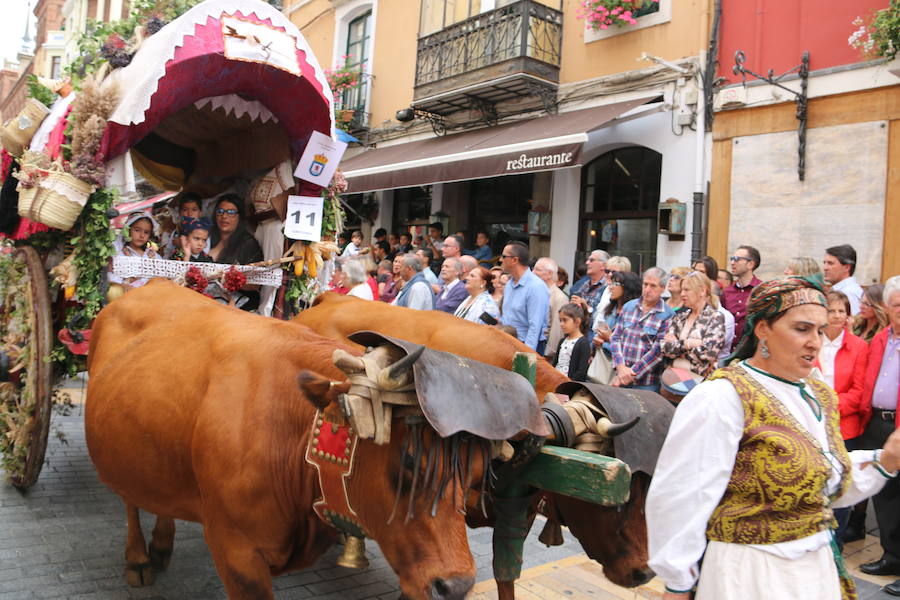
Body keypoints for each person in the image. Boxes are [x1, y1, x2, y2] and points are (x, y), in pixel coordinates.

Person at [649, 276, 900, 600]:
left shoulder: (818, 394)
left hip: (815, 572)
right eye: (802, 329)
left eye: (820, 331)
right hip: (749, 573)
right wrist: (678, 582)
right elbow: (683, 495)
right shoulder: (723, 396)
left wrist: (886, 459)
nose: (815, 342)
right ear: (762, 329)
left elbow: (824, 481)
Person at [857, 276, 900, 595]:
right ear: (887, 307)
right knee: (884, 493)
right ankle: (892, 556)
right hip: (877, 422)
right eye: (898, 305)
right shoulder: (883, 338)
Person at [609, 267, 675, 391]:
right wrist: (620, 366)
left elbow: (657, 352)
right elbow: (615, 337)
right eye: (645, 284)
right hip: (621, 376)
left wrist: (632, 373)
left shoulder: (667, 314)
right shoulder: (629, 306)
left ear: (662, 288)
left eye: (653, 286)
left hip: (647, 383)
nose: (647, 289)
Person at [661, 271, 727, 380]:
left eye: (686, 290)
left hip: (700, 383)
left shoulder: (715, 317)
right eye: (682, 290)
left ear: (702, 291)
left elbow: (707, 354)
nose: (682, 294)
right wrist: (688, 344)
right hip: (673, 380)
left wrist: (677, 346)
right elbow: (665, 348)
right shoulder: (680, 317)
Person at [208, 195, 264, 310]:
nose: (224, 216)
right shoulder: (206, 239)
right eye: (220, 211)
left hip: (238, 307)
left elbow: (256, 285)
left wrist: (232, 279)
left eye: (231, 212)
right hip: (208, 301)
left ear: (239, 217)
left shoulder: (248, 244)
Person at [592, 271, 642, 383]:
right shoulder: (610, 309)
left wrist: (609, 340)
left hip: (623, 370)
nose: (611, 287)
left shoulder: (635, 314)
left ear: (628, 287)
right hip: (602, 365)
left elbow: (633, 347)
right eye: (611, 283)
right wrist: (596, 341)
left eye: (616, 284)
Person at [499, 241, 550, 351]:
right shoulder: (509, 284)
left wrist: (526, 354)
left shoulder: (536, 287)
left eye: (504, 256)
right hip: (507, 342)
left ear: (515, 260)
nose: (500, 260)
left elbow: (535, 326)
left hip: (526, 345)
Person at [722, 245, 762, 353]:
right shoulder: (727, 292)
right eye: (732, 259)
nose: (732, 263)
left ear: (750, 264)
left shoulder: (761, 290)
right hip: (727, 353)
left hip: (750, 353)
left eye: (737, 259)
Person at [108, 212, 163, 291]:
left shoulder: (153, 256)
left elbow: (161, 276)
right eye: (137, 230)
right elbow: (112, 277)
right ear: (128, 230)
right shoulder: (119, 254)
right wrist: (122, 285)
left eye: (146, 232)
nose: (142, 235)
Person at [533, 257, 569, 362]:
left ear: (549, 274)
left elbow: (557, 329)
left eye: (537, 270)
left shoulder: (559, 297)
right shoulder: (538, 291)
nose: (533, 272)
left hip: (544, 350)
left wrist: (549, 353)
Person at [552, 303, 591, 381]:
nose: (561, 324)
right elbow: (555, 362)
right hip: (556, 381)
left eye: (565, 320)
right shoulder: (562, 341)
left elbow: (581, 370)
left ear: (577, 322)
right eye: (560, 320)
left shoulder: (583, 343)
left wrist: (569, 382)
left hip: (570, 385)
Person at [824, 244, 864, 315]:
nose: (825, 268)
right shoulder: (843, 290)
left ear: (847, 267)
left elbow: (853, 324)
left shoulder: (849, 293)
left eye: (830, 263)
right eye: (824, 263)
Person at [570, 250, 609, 319]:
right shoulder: (581, 284)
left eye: (591, 260)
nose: (587, 263)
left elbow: (603, 316)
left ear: (603, 265)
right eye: (588, 260)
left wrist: (587, 308)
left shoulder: (608, 288)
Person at [162, 192, 203, 258]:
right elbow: (167, 253)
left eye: (194, 210)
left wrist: (182, 244)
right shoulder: (176, 232)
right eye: (185, 210)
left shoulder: (204, 233)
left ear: (200, 213)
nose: (189, 214)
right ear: (180, 213)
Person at [593, 255, 632, 323]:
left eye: (614, 272)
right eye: (607, 271)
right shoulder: (601, 290)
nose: (610, 274)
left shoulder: (627, 296)